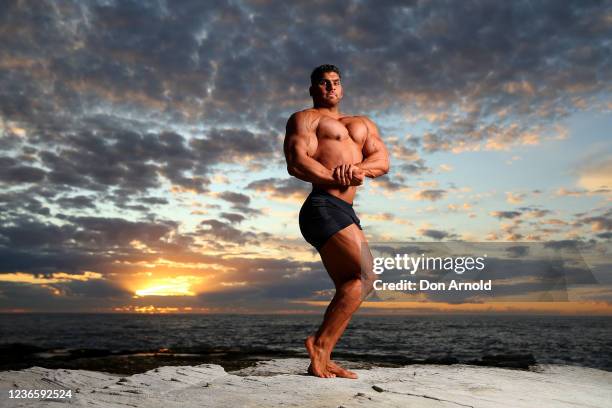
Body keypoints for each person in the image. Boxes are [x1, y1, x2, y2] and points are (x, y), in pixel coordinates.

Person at [283, 64, 390, 379]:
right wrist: (334, 175)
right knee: (367, 274)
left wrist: (359, 170)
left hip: (346, 211)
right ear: (313, 89)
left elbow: (382, 160)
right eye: (323, 83)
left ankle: (323, 353)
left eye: (335, 82)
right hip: (322, 205)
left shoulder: (362, 123)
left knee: (354, 284)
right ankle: (318, 345)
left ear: (342, 89)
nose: (330, 87)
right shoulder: (306, 119)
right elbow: (296, 161)